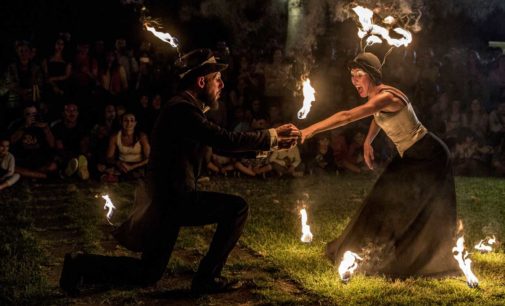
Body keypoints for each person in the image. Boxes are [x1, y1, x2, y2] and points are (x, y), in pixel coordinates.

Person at [59, 48, 299, 296]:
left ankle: (79, 264)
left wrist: (272, 145)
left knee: (147, 273)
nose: (222, 84)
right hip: (173, 200)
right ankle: (208, 278)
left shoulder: (185, 107)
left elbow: (221, 144)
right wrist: (271, 135)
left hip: (168, 202)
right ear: (201, 81)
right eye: (217, 79)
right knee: (237, 208)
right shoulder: (182, 109)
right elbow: (223, 139)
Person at [300, 52, 461, 279]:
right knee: (381, 198)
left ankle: (410, 257)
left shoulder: (386, 97)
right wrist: (368, 141)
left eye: (359, 75)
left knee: (415, 207)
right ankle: (367, 250)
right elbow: (377, 116)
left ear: (373, 75)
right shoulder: (378, 97)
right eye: (352, 76)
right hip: (411, 155)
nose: (354, 80)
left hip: (430, 155)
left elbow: (347, 116)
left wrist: (310, 130)